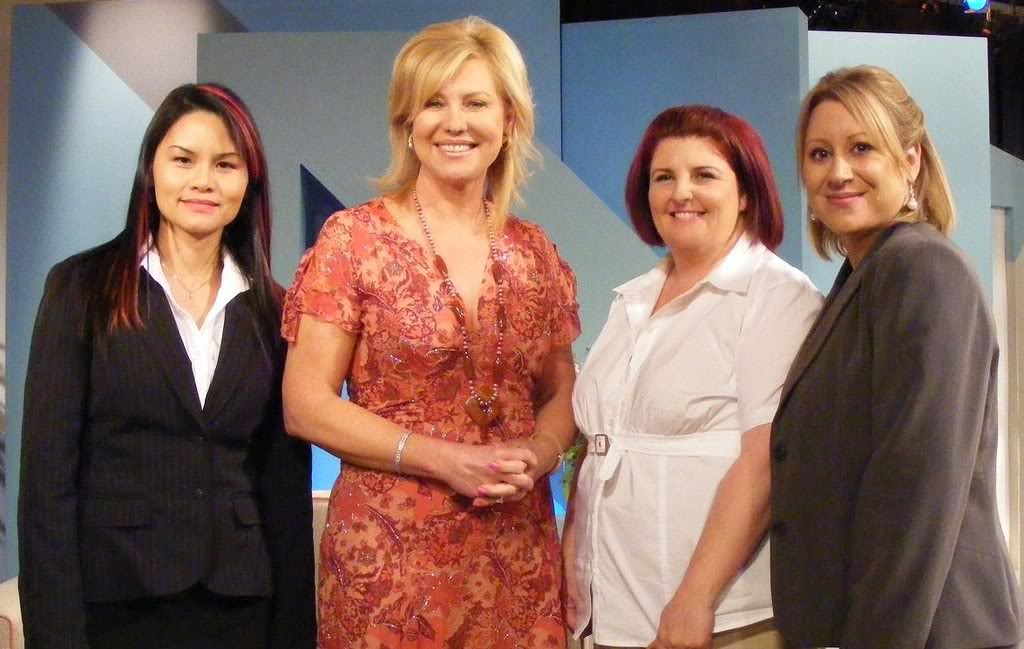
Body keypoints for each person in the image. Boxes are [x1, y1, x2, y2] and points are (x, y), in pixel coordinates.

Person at [280, 16, 580, 649]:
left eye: (476, 103)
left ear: (509, 121)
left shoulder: (535, 253)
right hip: (389, 564)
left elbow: (561, 392)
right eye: (434, 103)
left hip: (516, 554)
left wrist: (541, 453)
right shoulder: (354, 240)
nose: (455, 122)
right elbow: (305, 404)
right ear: (407, 122)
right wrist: (446, 460)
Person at [17, 83, 315, 649]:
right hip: (116, 601)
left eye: (225, 164)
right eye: (183, 160)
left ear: (249, 182)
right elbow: (47, 484)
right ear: (150, 170)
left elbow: (283, 489)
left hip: (240, 608)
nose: (204, 181)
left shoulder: (275, 309)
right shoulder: (82, 288)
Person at [770, 64, 1023, 649]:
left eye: (862, 148)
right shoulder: (866, 275)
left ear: (910, 161)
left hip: (929, 628)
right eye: (819, 153)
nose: (838, 172)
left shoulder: (922, 268)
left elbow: (918, 488)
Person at [564, 105, 822, 649]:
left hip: (714, 619)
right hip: (609, 611)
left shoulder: (777, 296)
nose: (681, 192)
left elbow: (765, 463)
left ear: (745, 192)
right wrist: (573, 566)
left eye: (704, 175)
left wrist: (694, 599)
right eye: (664, 177)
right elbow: (599, 447)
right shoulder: (632, 298)